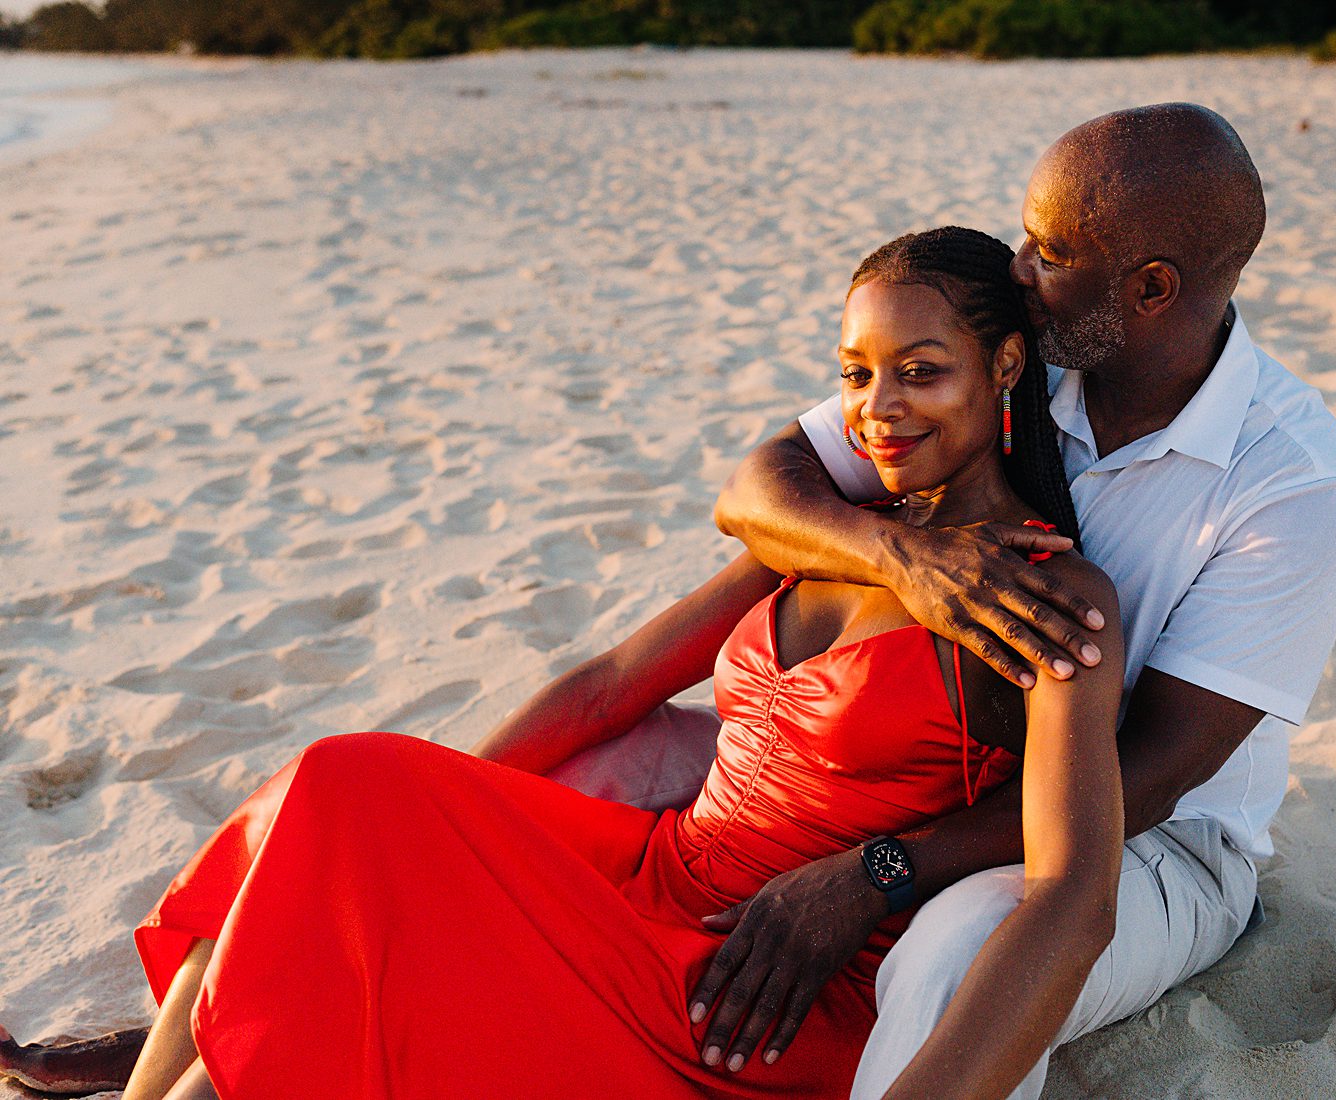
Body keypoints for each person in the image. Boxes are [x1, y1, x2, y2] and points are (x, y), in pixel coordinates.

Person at [111, 227, 1128, 1100]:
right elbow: (608, 686)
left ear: (1002, 366)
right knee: (338, 801)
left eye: (920, 369)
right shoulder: (841, 527)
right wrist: (450, 832)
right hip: (651, 867)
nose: (878, 409)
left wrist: (879, 875)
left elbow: (1068, 877)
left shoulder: (1051, 593)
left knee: (320, 938)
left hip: (762, 969)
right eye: (856, 373)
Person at [682, 102, 1336, 1098]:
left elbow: (1160, 772)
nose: (1016, 267)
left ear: (1149, 288)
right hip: (941, 771)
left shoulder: (1294, 483)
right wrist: (901, 554)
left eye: (1048, 249)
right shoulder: (1018, 355)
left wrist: (883, 867)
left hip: (1157, 845)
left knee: (954, 951)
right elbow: (758, 490)